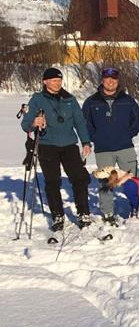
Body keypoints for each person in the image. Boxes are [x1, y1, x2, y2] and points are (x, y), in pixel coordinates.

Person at [21, 67, 93, 231]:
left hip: (69, 145)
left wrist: (86, 142)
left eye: (59, 80)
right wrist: (34, 123)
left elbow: (80, 122)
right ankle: (58, 215)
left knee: (79, 179)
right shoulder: (37, 99)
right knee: (53, 182)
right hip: (47, 146)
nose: (58, 83)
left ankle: (83, 213)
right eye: (54, 80)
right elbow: (26, 125)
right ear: (45, 81)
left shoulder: (69, 99)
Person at [82, 67, 139, 225]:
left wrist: (129, 133)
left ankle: (135, 208)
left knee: (132, 179)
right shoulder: (91, 102)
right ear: (102, 80)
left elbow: (138, 119)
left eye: (114, 79)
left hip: (125, 147)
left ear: (118, 81)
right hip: (103, 149)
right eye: (107, 79)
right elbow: (85, 123)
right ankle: (108, 212)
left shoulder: (127, 100)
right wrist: (95, 138)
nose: (110, 82)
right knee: (106, 181)